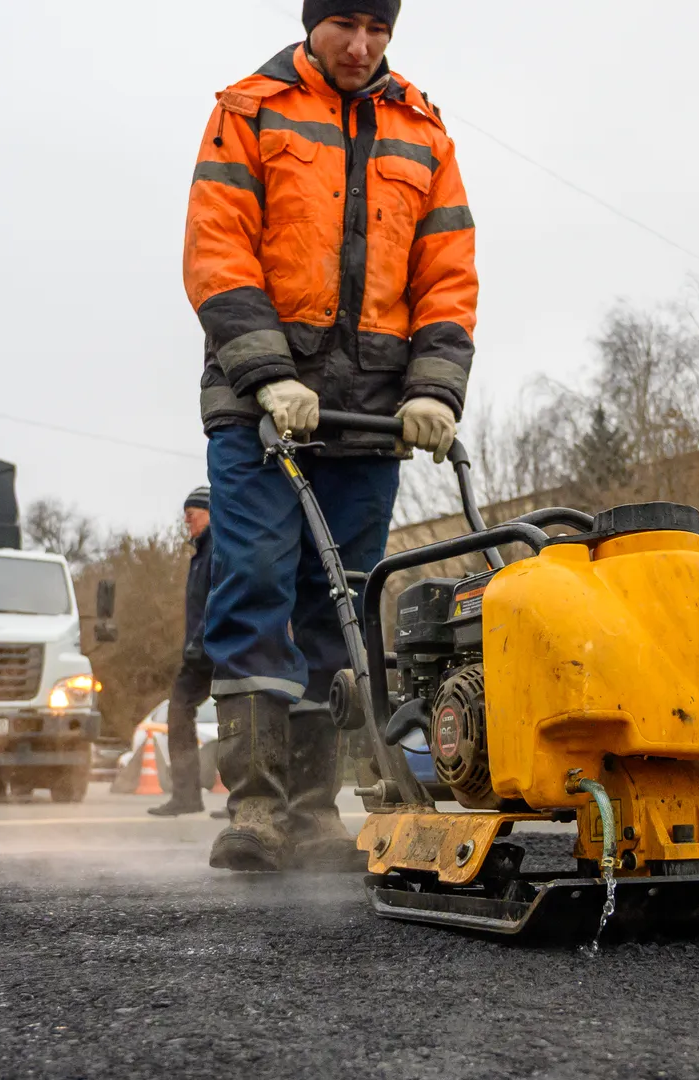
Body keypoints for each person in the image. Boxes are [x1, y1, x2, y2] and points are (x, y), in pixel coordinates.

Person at [183, 0, 476, 871]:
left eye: (377, 29)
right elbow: (217, 250)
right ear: (313, 21)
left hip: (370, 417)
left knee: (340, 601)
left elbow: (447, 274)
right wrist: (268, 374)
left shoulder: (423, 131)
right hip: (261, 409)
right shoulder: (250, 110)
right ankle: (258, 808)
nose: (361, 45)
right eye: (345, 24)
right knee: (255, 583)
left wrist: (434, 391)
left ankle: (313, 811)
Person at [149, 486, 216, 817]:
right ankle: (187, 795)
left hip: (218, 646)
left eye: (191, 515)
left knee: (236, 715)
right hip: (201, 649)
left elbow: (218, 598)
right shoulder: (201, 553)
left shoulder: (219, 550)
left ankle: (246, 800)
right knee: (179, 709)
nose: (187, 522)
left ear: (210, 513)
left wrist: (199, 639)